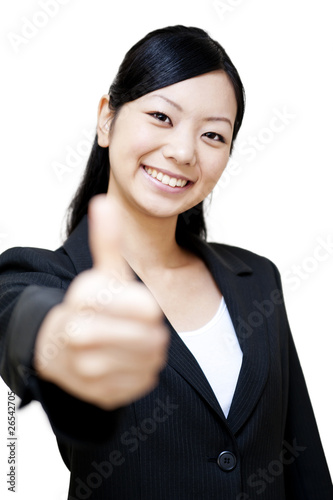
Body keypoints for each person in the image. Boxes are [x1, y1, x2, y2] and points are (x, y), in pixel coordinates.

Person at [0, 25, 331, 500]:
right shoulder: (42, 276)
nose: (182, 151)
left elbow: (304, 463)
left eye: (213, 134)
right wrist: (64, 337)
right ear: (106, 121)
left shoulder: (258, 278)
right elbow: (22, 323)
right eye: (161, 116)